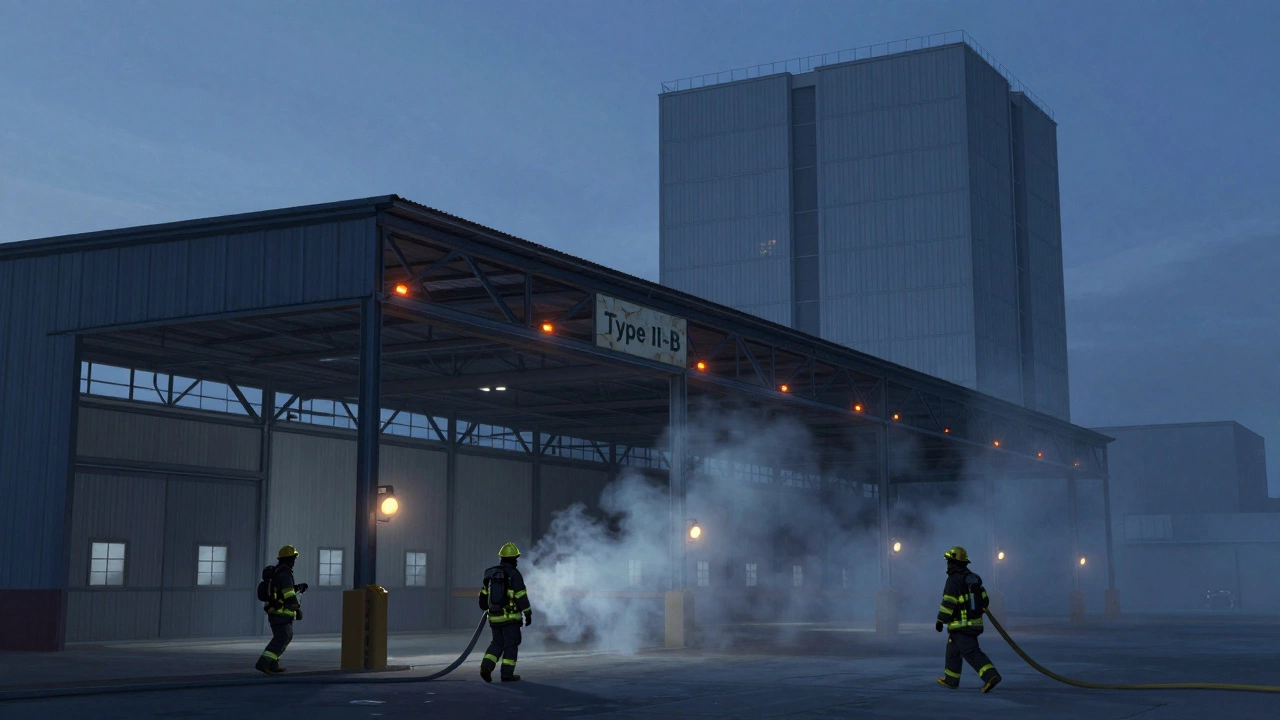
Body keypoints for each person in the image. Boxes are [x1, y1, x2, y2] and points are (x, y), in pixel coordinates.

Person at [935, 545, 1001, 692]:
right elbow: (985, 600)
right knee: (952, 650)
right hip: (973, 624)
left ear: (954, 562)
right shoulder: (972, 578)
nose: (947, 564)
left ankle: (991, 676)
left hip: (962, 626)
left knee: (971, 652)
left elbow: (948, 603)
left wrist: (941, 620)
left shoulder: (953, 580)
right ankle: (951, 680)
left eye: (949, 561)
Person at [477, 542, 532, 682]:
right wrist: (528, 613)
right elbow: (521, 596)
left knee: (497, 643)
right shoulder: (514, 574)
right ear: (512, 559)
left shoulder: (490, 573)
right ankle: (507, 675)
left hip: (494, 618)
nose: (517, 561)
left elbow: (483, 598)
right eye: (515, 558)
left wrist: (487, 608)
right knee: (511, 644)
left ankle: (486, 667)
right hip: (510, 618)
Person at [256, 545, 308, 674]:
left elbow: (281, 590)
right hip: (281, 612)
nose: (294, 561)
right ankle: (264, 662)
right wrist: (297, 608)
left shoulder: (278, 572)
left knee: (282, 637)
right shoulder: (285, 573)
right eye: (293, 558)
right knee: (282, 638)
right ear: (288, 559)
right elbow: (288, 594)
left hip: (276, 612)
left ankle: (273, 664)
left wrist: (298, 587)